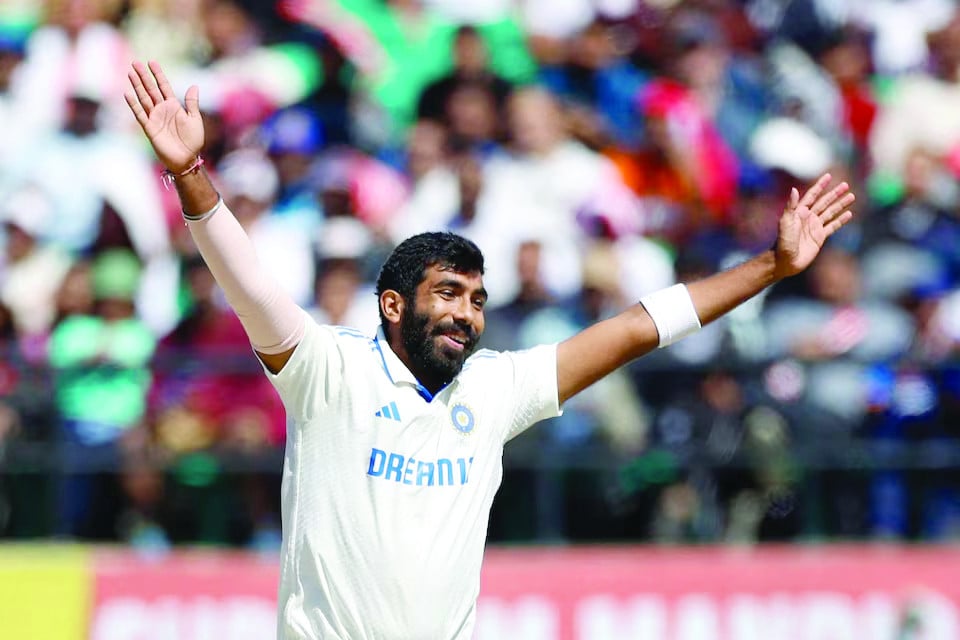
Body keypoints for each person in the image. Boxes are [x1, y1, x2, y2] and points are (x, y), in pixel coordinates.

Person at [125, 60, 855, 640]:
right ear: (392, 305)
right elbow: (245, 278)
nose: (465, 314)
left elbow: (637, 326)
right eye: (446, 294)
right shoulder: (327, 370)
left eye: (476, 299)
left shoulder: (495, 388)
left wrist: (770, 268)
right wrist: (190, 174)